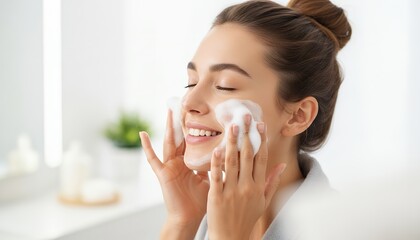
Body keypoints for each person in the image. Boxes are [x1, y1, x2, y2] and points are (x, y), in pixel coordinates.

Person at [139, 0, 351, 239]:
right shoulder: (209, 218)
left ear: (298, 116)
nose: (188, 103)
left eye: (224, 86)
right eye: (192, 82)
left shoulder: (342, 230)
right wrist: (183, 221)